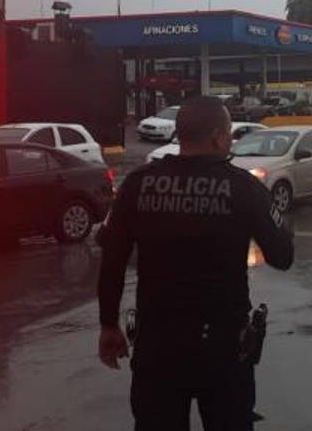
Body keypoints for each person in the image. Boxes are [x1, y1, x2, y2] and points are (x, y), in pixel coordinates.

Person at [97, 95, 294, 430]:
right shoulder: (244, 188)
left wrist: (108, 325)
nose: (230, 141)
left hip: (157, 346)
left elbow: (112, 259)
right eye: (228, 133)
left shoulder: (137, 184)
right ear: (217, 136)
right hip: (223, 350)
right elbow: (282, 257)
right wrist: (280, 226)